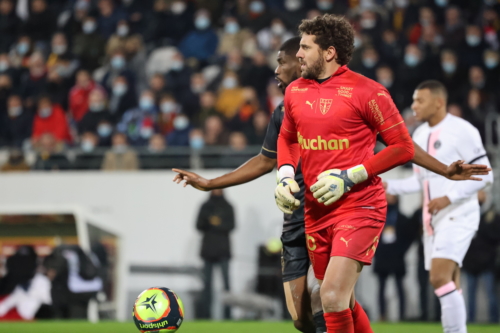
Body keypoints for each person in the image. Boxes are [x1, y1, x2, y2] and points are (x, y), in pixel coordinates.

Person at [172, 36, 487, 333]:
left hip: (347, 206)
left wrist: (443, 169)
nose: (279, 68)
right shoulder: (287, 106)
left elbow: (399, 141)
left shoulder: (351, 94)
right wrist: (217, 182)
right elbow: (266, 158)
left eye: (286, 60)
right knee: (304, 317)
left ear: (313, 58)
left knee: (330, 297)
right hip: (302, 216)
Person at [274, 16, 490, 333]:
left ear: (329, 52)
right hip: (316, 209)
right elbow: (288, 138)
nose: (299, 55)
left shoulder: (368, 92)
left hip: (360, 206)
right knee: (336, 299)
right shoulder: (295, 91)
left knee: (332, 295)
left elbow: (401, 146)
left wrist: (349, 177)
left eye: (305, 47)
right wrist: (284, 175)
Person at [384, 80, 494, 333]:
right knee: (449, 282)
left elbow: (486, 176)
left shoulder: (462, 130)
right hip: (432, 220)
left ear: (439, 102)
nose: (414, 106)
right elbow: (418, 182)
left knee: (438, 277)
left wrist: (449, 197)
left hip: (458, 214)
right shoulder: (419, 135)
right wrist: (387, 186)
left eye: (420, 100)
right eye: (413, 100)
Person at [195, 189, 235, 319]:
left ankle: (227, 316)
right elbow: (198, 225)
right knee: (207, 286)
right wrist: (210, 221)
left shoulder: (228, 207)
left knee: (226, 285)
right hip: (208, 250)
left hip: (223, 250)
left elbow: (232, 225)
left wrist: (217, 223)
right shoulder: (205, 206)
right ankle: (205, 316)